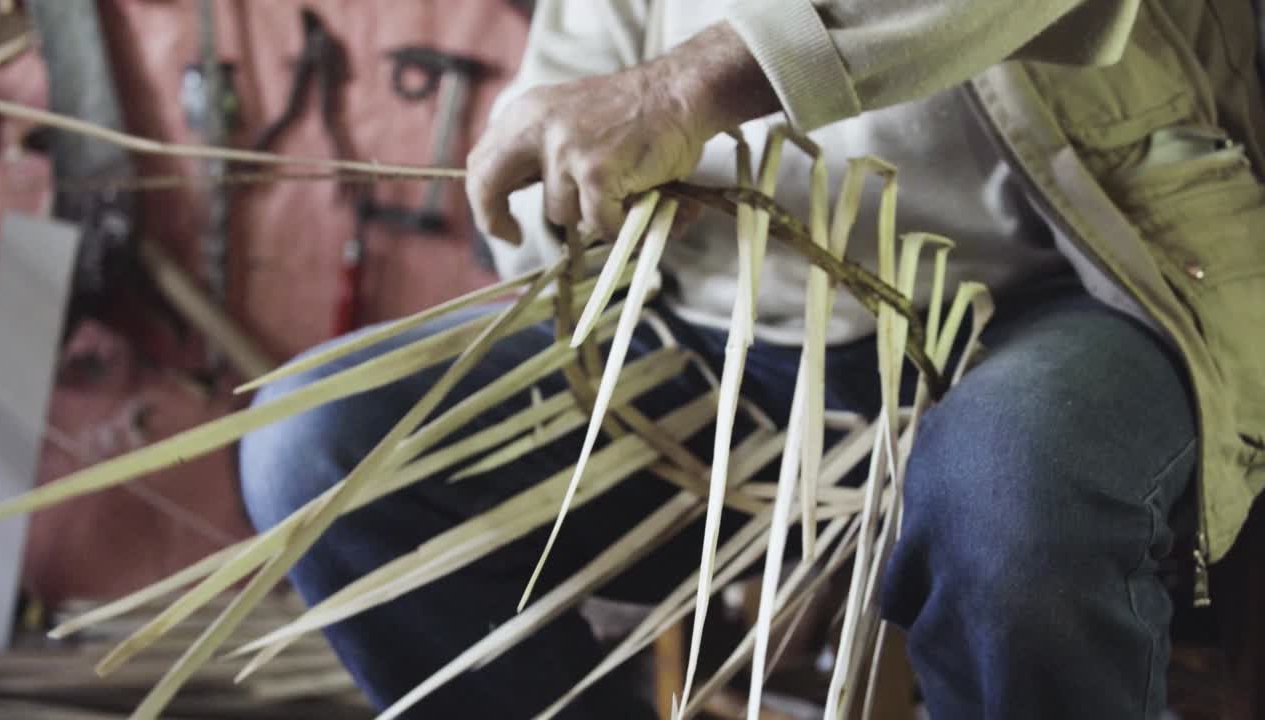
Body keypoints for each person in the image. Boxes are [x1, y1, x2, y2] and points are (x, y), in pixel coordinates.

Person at [240, 1, 1265, 718]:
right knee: (323, 447)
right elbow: (576, 81)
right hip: (704, 332)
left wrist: (682, 90)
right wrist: (558, 193)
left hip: (1058, 296)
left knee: (1007, 505)